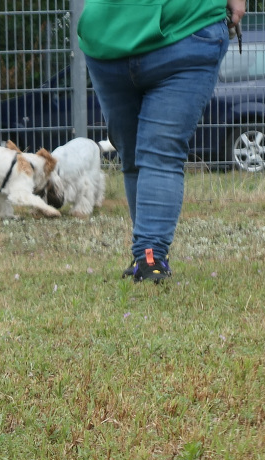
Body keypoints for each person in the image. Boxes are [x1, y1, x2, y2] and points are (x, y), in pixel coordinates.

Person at [79, 0, 244, 283]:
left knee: (154, 154)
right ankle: (147, 257)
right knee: (144, 154)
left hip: (166, 28)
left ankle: (149, 256)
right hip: (122, 37)